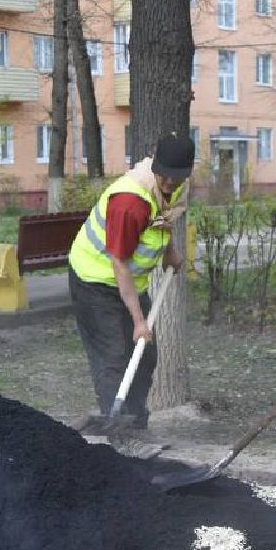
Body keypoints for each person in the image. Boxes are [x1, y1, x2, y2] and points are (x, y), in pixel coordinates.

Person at [67, 133, 193, 432]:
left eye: (177, 177)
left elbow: (164, 218)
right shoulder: (129, 203)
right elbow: (119, 263)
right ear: (155, 167)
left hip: (129, 283)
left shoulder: (177, 186)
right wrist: (139, 320)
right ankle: (119, 434)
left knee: (145, 356)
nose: (171, 183)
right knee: (112, 356)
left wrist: (170, 251)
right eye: (165, 176)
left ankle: (134, 423)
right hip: (95, 279)